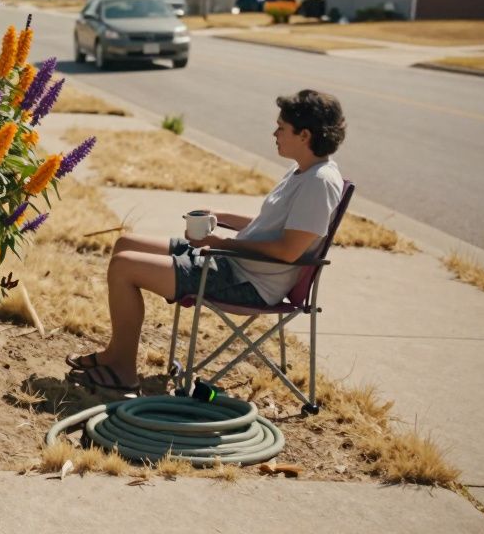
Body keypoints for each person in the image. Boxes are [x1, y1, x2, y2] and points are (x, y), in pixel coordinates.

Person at [67, 90, 347, 394]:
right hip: (232, 263)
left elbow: (288, 250)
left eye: (281, 127)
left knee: (124, 267)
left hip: (248, 282)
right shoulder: (302, 172)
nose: (274, 133)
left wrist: (222, 243)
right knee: (125, 244)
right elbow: (271, 227)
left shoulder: (319, 184)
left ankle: (122, 371)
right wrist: (222, 215)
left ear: (304, 135)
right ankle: (114, 354)